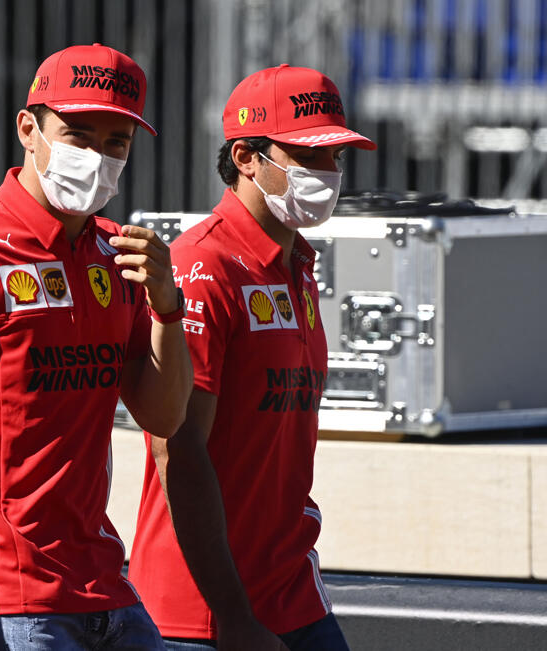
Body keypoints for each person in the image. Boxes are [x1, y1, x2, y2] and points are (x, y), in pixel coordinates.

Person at [0, 43, 193, 651]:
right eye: (77, 134)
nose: (96, 157)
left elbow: (164, 415)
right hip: (7, 604)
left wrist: (167, 307)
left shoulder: (116, 253)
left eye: (116, 143)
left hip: (108, 589)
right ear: (28, 128)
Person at [128, 64, 377, 651]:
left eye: (336, 158)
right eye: (309, 157)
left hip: (289, 591)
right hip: (203, 615)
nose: (329, 175)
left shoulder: (298, 264)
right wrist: (233, 617)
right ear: (245, 157)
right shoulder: (204, 266)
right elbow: (179, 451)